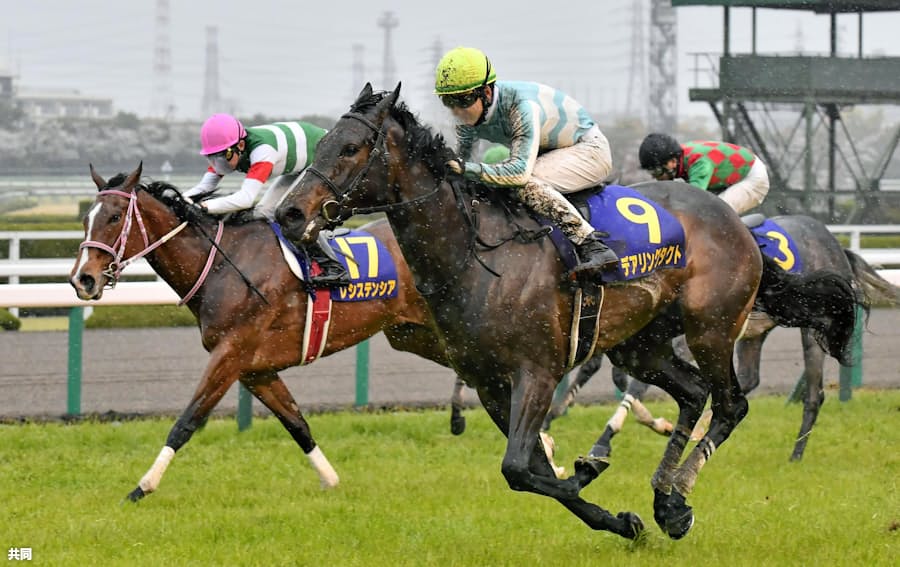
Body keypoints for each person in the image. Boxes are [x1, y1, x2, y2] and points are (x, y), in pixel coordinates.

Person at [433, 46, 619, 277]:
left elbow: (518, 173)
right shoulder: (465, 120)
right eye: (447, 101)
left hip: (588, 151)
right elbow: (464, 166)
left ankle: (592, 245)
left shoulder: (520, 106)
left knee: (523, 183)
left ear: (487, 93)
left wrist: (466, 169)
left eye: (463, 100)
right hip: (552, 152)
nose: (456, 110)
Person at [184, 113, 349, 287]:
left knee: (289, 213)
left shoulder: (262, 151)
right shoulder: (228, 152)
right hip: (301, 164)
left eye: (222, 156)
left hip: (325, 157)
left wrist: (203, 207)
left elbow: (245, 199)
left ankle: (333, 267)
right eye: (212, 157)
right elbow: (203, 188)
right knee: (263, 212)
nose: (218, 164)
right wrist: (178, 200)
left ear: (240, 145)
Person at [637, 133, 770, 215]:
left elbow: (693, 200)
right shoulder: (678, 157)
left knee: (716, 213)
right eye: (651, 172)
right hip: (732, 176)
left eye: (657, 171)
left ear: (672, 162)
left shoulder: (699, 164)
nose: (655, 177)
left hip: (752, 178)